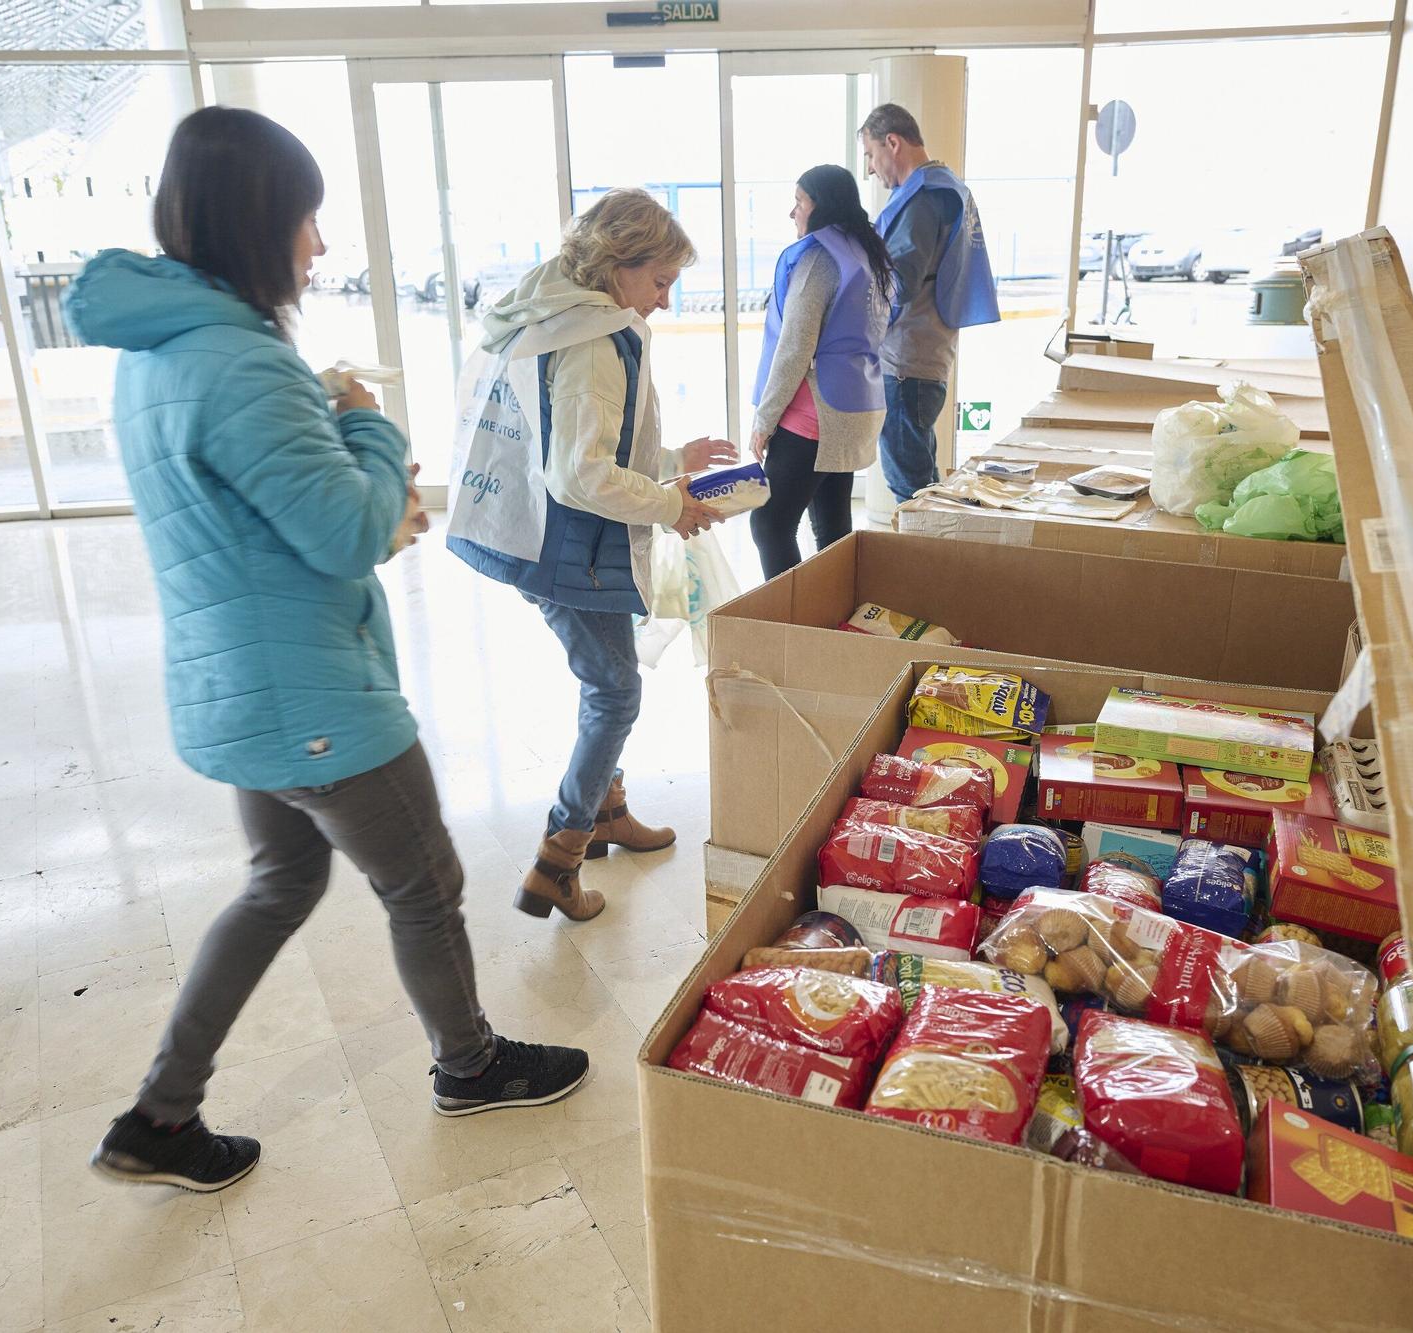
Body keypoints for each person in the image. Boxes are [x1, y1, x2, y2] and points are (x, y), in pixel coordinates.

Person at [63, 107, 587, 1194]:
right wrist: (366, 422)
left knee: (279, 881)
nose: (319, 243)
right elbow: (347, 532)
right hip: (311, 698)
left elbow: (268, 519)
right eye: (307, 219)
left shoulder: (157, 351)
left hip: (238, 684)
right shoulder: (241, 363)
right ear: (257, 223)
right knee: (425, 884)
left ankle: (159, 1116)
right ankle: (470, 1066)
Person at [448, 188, 737, 923]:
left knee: (607, 678)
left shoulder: (554, 311)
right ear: (618, 264)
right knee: (614, 691)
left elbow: (574, 444)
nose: (665, 300)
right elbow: (580, 474)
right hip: (570, 548)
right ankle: (559, 859)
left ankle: (607, 813)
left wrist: (671, 460)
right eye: (660, 281)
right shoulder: (594, 341)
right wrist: (671, 504)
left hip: (542, 535)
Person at [746, 165, 892, 580]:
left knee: (769, 523)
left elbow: (795, 347)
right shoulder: (867, 253)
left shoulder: (818, 258)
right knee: (832, 528)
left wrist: (764, 421)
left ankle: (791, 615)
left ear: (821, 205)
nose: (793, 212)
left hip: (816, 413)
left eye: (799, 202)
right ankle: (836, 611)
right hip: (855, 404)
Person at [857, 103, 1001, 506]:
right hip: (926, 355)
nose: (870, 168)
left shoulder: (922, 197)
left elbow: (898, 282)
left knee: (913, 493)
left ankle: (925, 548)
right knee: (922, 481)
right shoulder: (947, 187)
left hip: (906, 363)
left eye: (870, 154)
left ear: (892, 143)